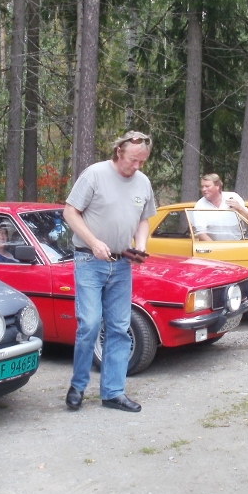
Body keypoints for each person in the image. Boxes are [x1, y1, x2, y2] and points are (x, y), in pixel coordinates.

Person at [63, 130, 156, 413]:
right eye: (132, 160)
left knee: (119, 328)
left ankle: (113, 392)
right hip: (89, 261)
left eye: (142, 161)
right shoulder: (95, 174)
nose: (136, 166)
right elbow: (70, 212)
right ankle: (78, 386)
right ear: (119, 152)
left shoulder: (143, 182)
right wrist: (93, 242)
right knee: (90, 324)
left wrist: (140, 246)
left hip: (122, 264)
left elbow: (144, 220)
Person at [193, 173, 248, 240]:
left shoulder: (233, 197)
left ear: (217, 186)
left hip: (238, 243)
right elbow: (201, 233)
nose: (204, 189)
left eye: (207, 186)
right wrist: (215, 246)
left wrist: (239, 208)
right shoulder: (200, 205)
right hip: (213, 244)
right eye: (202, 187)